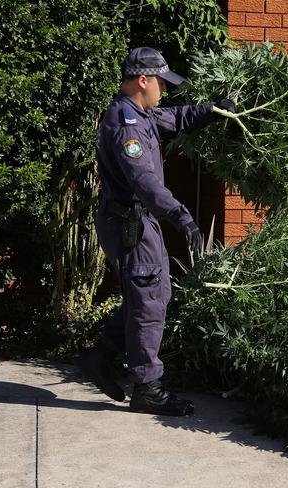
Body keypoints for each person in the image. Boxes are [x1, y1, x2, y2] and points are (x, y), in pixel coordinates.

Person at [77, 47, 235, 416]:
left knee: (152, 293)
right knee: (148, 299)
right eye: (160, 82)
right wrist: (183, 217)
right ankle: (147, 387)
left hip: (139, 222)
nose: (163, 89)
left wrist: (212, 110)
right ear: (142, 80)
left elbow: (175, 119)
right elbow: (145, 182)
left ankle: (100, 357)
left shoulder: (141, 114)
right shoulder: (124, 124)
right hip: (129, 223)